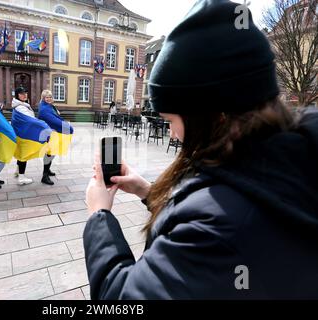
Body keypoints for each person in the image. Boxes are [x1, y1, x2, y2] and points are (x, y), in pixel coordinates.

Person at [83, 0, 318, 299]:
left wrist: (99, 216)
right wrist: (147, 191)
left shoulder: (220, 227)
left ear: (216, 116)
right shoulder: (291, 157)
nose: (171, 133)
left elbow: (121, 298)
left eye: (172, 120)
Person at [38, 90, 71, 185]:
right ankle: (44, 176)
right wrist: (67, 127)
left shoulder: (50, 106)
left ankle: (47, 170)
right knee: (49, 153)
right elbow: (53, 120)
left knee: (52, 153)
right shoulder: (44, 108)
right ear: (43, 98)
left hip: (54, 132)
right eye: (46, 97)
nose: (49, 99)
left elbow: (56, 118)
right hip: (49, 133)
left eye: (50, 97)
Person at [11, 87, 35, 185]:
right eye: (21, 93)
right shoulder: (20, 107)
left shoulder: (21, 104)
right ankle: (21, 177)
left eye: (25, 93)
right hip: (23, 134)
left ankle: (17, 170)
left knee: (21, 154)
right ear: (17, 95)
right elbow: (30, 119)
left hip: (21, 133)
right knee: (23, 155)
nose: (24, 95)